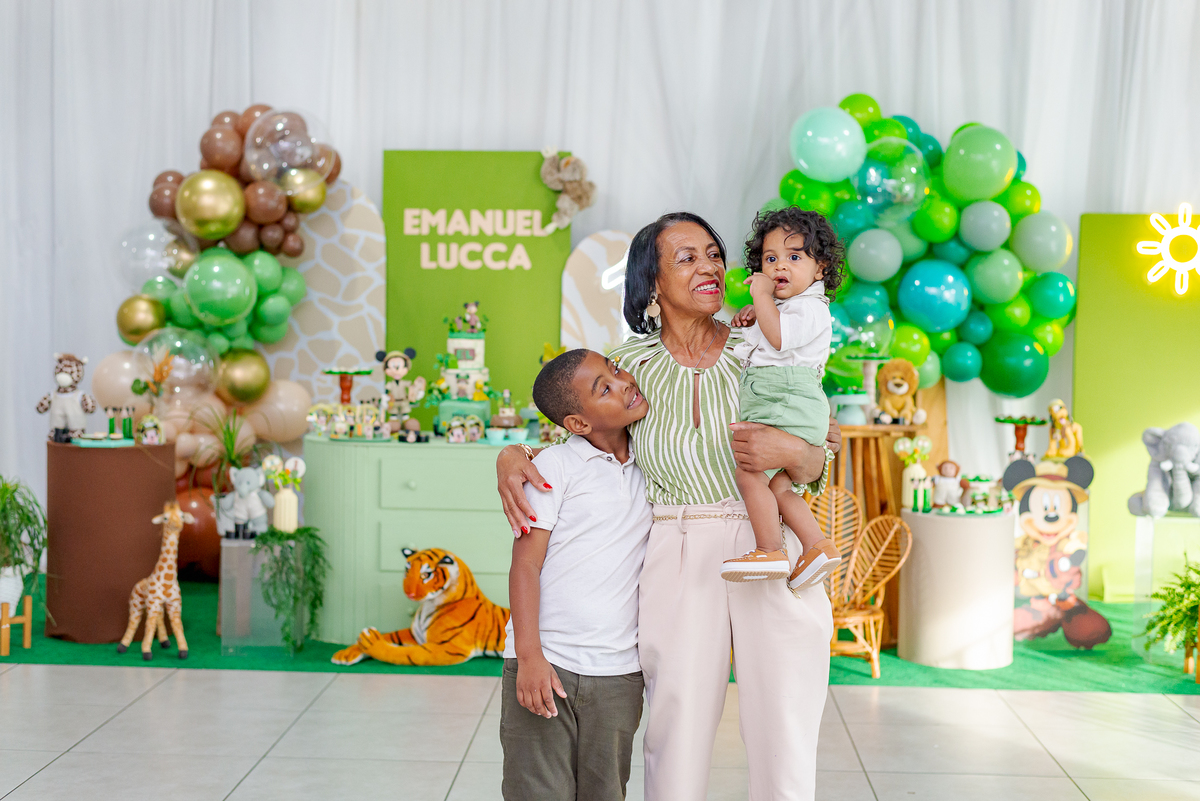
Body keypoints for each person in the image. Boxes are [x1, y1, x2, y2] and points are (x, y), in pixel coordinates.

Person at [498, 212, 838, 801]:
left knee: (785, 725)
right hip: (677, 550)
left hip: (772, 543)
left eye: (714, 253)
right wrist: (513, 452)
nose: (710, 266)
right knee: (676, 733)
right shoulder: (631, 368)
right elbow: (578, 437)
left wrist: (796, 451)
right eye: (687, 258)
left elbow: (816, 454)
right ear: (651, 282)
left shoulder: (766, 342)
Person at [501, 348, 651, 801]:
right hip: (547, 662)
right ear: (578, 423)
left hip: (619, 672)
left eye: (616, 370)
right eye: (604, 388)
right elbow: (526, 563)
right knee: (538, 791)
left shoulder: (653, 461)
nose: (624, 383)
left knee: (606, 792)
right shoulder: (555, 466)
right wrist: (529, 656)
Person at [721, 208, 845, 590]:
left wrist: (760, 296)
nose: (780, 266)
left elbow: (778, 339)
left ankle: (769, 549)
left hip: (785, 396)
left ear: (821, 268)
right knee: (779, 487)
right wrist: (756, 311)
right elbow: (771, 331)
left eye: (794, 256)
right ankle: (817, 545)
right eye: (770, 258)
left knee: (749, 472)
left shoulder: (812, 307)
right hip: (788, 398)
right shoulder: (793, 306)